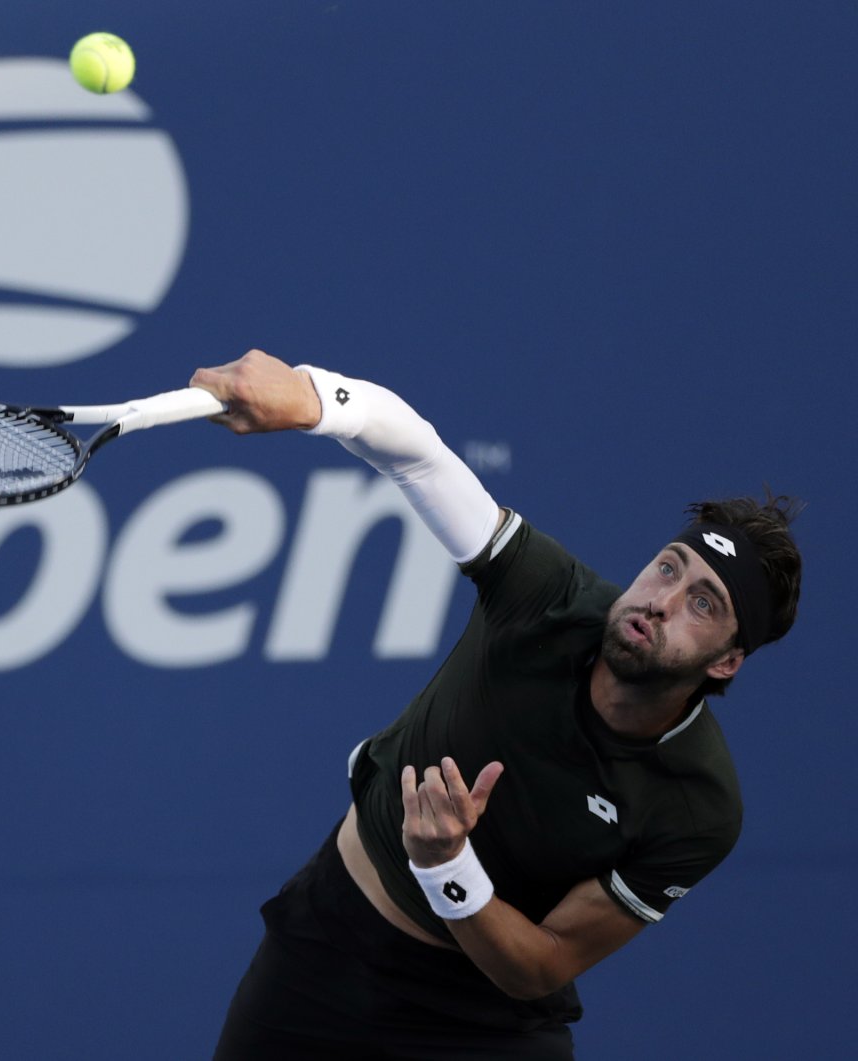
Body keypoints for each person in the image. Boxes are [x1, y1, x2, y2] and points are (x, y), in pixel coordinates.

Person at [191, 350, 803, 1060]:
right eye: (669, 565)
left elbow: (541, 962)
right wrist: (308, 395)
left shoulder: (698, 805)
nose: (662, 600)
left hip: (483, 1024)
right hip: (325, 951)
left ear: (727, 660)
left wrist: (446, 864)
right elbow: (418, 456)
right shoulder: (547, 593)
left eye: (703, 602)